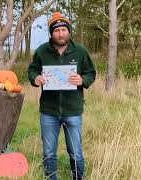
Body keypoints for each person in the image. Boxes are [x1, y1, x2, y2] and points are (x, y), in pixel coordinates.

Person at [28, 12, 96, 180]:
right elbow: (32, 69)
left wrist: (82, 80)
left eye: (64, 30)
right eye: (57, 30)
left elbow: (91, 73)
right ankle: (51, 177)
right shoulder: (42, 51)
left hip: (73, 111)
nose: (61, 33)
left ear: (68, 31)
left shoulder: (80, 51)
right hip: (49, 111)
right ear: (51, 33)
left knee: (76, 152)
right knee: (49, 152)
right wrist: (35, 78)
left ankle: (78, 177)